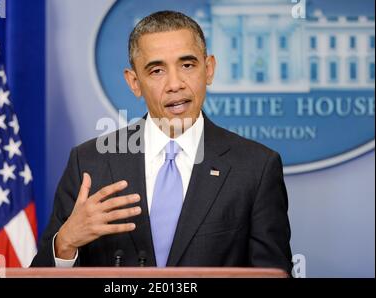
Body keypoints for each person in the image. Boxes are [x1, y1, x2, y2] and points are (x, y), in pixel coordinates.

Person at [31, 10, 292, 273]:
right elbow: (38, 273)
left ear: (209, 69)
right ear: (134, 82)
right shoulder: (89, 163)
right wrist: (65, 243)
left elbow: (272, 272)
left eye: (187, 65)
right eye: (156, 70)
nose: (175, 84)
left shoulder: (256, 167)